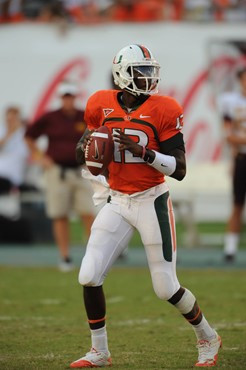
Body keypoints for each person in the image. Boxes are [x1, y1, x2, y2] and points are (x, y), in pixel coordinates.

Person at [71, 44, 221, 368]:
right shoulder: (100, 103)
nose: (148, 77)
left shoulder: (165, 109)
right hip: (117, 199)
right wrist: (84, 147)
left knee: (166, 287)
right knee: (88, 274)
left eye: (150, 71)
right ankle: (100, 351)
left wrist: (144, 154)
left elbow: (179, 170)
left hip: (152, 199)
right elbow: (84, 149)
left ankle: (207, 336)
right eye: (141, 71)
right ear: (122, 74)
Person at [25, 81, 95, 271]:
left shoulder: (84, 116)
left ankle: (93, 257)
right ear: (60, 98)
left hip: (81, 171)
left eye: (70, 96)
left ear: (75, 97)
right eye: (65, 96)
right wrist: (40, 158)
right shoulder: (50, 117)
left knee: (88, 213)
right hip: (57, 171)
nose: (68, 100)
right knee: (60, 215)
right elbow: (29, 136)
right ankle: (64, 257)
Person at [219, 67, 246, 262]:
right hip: (242, 158)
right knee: (237, 203)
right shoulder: (231, 102)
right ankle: (230, 248)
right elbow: (229, 136)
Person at [0, 106, 29, 194]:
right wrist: (9, 133)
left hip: (14, 178)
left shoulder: (25, 134)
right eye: (9, 119)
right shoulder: (2, 131)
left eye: (13, 119)